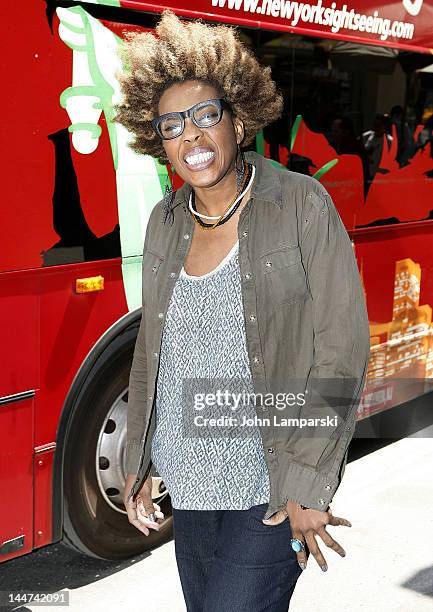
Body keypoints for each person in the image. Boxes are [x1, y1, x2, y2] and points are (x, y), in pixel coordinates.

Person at [113, 10, 370, 611]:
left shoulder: (301, 205)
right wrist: (140, 459)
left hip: (270, 489)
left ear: (239, 118)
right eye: (172, 125)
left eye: (207, 115)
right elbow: (155, 351)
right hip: (191, 484)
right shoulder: (166, 220)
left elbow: (341, 350)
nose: (192, 137)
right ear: (159, 141)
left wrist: (309, 480)